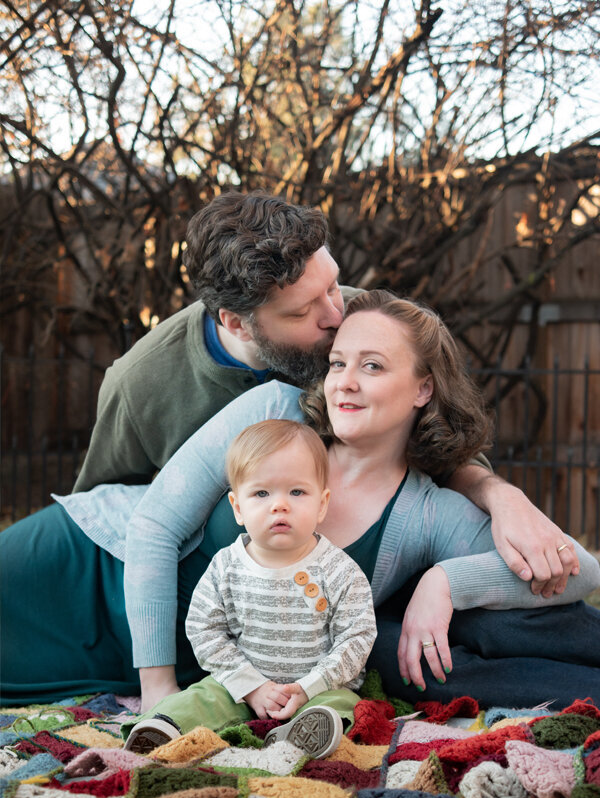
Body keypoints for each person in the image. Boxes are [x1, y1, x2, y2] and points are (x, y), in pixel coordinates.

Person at [2, 291, 598, 711]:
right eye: (338, 362)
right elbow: (155, 525)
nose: (344, 380)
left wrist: (446, 582)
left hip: (182, 655)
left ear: (423, 388)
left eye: (372, 365)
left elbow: (581, 571)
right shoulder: (276, 410)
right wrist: (156, 687)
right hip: (94, 562)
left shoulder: (427, 513)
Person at [72, 190, 578, 600]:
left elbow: (440, 445)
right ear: (237, 323)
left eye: (332, 286)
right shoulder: (141, 383)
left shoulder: (362, 322)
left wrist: (502, 496)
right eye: (302, 312)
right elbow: (109, 510)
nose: (336, 315)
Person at [122, 419, 376, 757]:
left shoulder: (340, 571)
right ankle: (163, 727)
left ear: (322, 504)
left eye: (297, 492)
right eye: (261, 493)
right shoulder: (227, 567)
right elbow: (203, 629)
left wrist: (309, 686)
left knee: (344, 703)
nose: (279, 505)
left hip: (315, 688)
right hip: (240, 687)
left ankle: (303, 732)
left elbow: (357, 638)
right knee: (203, 697)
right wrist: (251, 686)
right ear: (238, 508)